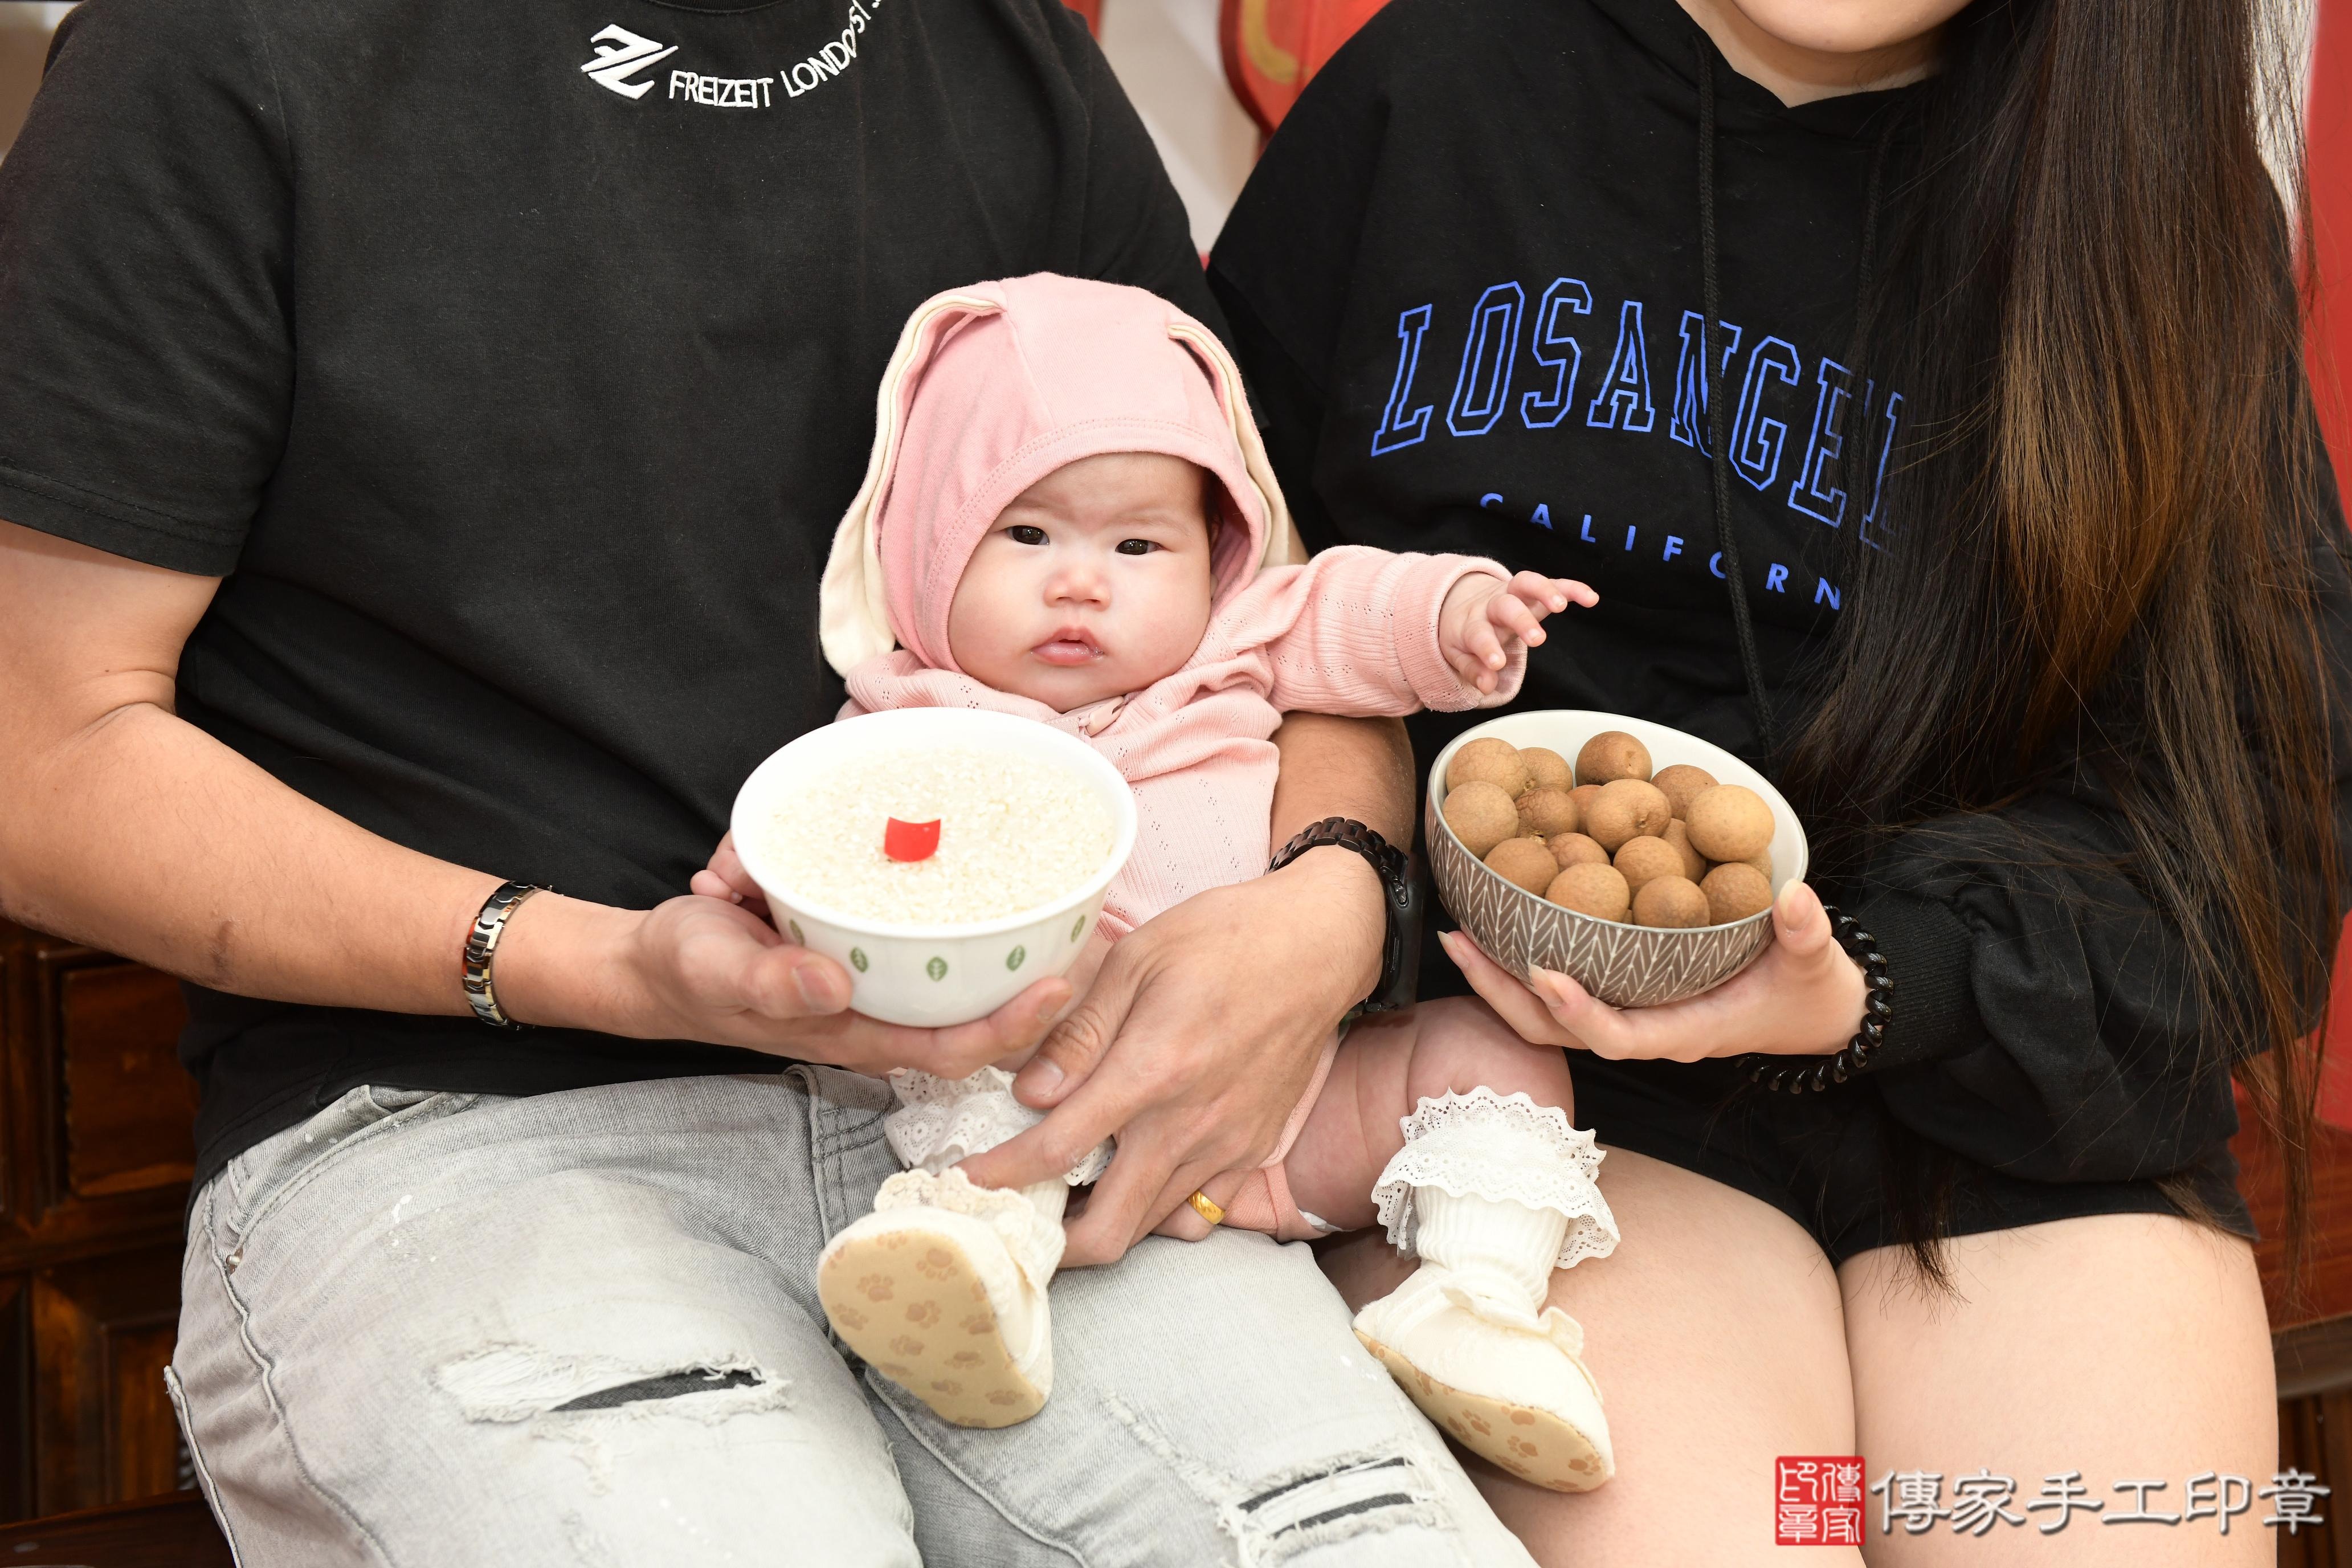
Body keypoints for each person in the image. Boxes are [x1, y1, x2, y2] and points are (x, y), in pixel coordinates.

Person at [0, 3, 1542, 1564]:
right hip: (459, 1122)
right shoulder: (224, 48)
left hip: (1034, 1103)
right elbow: (36, 749)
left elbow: (1273, 616)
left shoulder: (1008, 56)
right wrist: (609, 964)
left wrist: (1333, 893)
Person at [1205, 0, 2350, 1562]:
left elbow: (2253, 848)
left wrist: (1861, 988)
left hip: (2016, 1091)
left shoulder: (2154, 192)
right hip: (1555, 1101)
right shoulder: (1439, 88)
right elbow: (1207, 621)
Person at [724, 272, 1619, 1487]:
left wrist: (1461, 609)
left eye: (1139, 544)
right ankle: (986, 1258)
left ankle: (1474, 1301)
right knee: (980, 1079)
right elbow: (808, 827)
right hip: (1057, 1086)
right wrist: (737, 897)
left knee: (1497, 1058)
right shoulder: (914, 711)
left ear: (1215, 559)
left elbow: (1357, 602)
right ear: (925, 548)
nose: (1082, 581)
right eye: (1026, 534)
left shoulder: (1234, 644)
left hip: (1295, 1103)